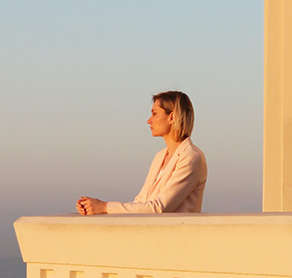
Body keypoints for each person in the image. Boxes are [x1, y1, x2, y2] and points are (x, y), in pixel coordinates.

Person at [77, 90, 206, 215]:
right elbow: (141, 201)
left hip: (176, 235)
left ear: (171, 117)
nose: (149, 120)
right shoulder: (160, 156)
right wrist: (93, 208)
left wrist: (105, 207)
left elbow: (160, 207)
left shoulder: (191, 157)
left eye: (154, 113)